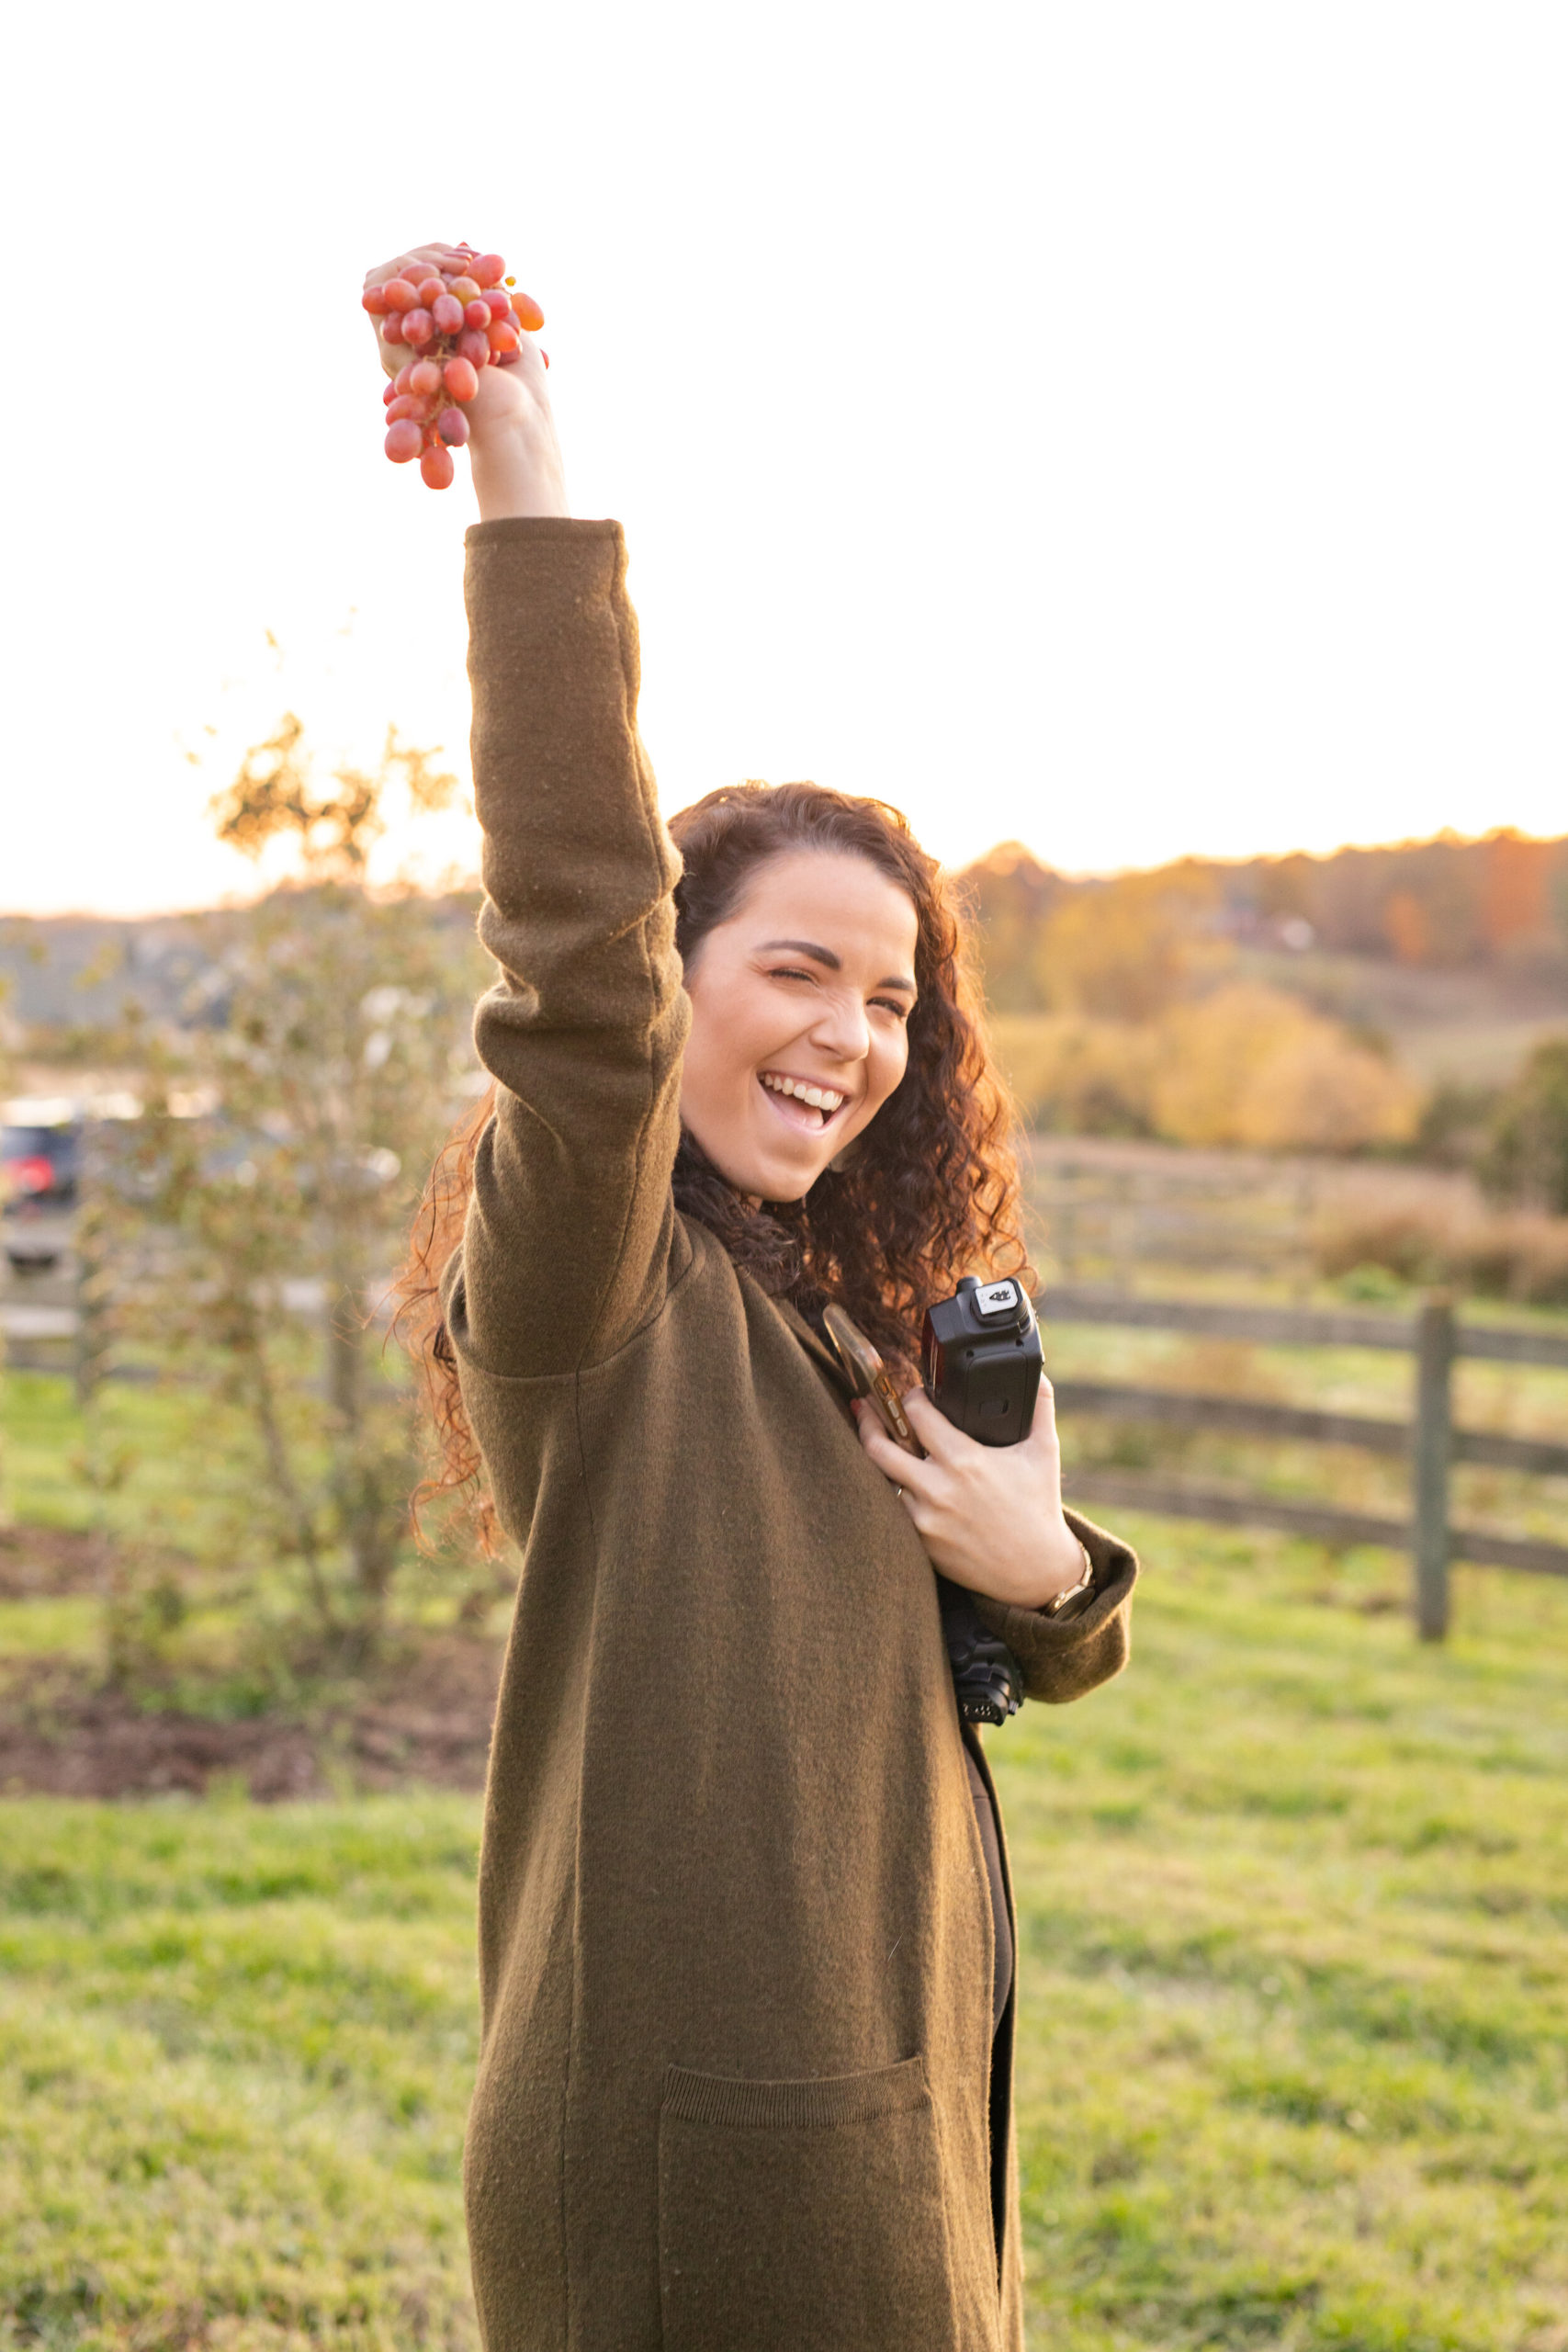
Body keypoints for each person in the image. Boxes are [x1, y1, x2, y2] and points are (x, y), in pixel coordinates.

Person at [378, 243, 1139, 2352]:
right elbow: (580, 975)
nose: (851, 1033)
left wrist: (1043, 1561)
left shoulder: (821, 1306)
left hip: (897, 2145)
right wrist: (528, 495)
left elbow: (1015, 1661)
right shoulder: (592, 1290)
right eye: (793, 968)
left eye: (892, 995)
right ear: (682, 984)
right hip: (704, 2192)